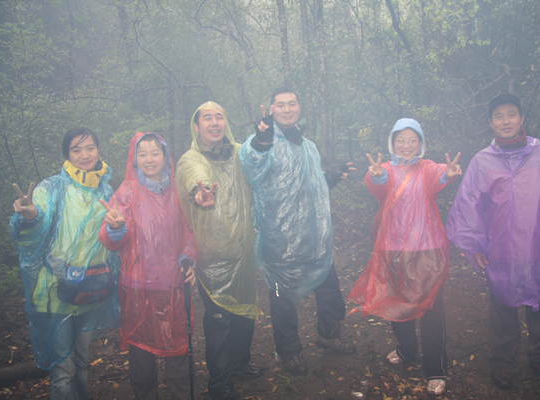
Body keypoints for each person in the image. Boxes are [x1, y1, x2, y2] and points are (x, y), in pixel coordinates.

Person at [446, 94, 540, 389]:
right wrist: (474, 244)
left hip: (537, 246)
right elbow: (469, 203)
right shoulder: (483, 161)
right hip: (500, 249)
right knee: (502, 309)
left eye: (511, 114)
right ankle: (503, 363)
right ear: (491, 122)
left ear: (522, 119)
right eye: (499, 116)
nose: (506, 121)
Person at [238, 87, 356, 376]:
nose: (287, 109)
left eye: (292, 103)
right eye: (281, 105)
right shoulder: (264, 141)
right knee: (283, 298)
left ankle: (329, 335)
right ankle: (289, 351)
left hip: (314, 236)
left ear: (299, 108)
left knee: (328, 287)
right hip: (280, 238)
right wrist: (261, 142)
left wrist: (330, 177)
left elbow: (309, 185)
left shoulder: (308, 146)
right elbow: (251, 163)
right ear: (271, 109)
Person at [348, 118, 461, 396]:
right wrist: (376, 176)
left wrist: (449, 174)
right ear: (392, 142)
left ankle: (436, 369)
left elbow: (439, 177)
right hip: (393, 248)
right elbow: (379, 186)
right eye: (401, 140)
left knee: (431, 308)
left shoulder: (427, 168)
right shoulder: (385, 169)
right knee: (397, 301)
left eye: (412, 140)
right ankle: (407, 350)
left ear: (420, 143)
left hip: (427, 250)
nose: (406, 145)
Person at [9, 127, 120, 400]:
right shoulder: (51, 188)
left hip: (91, 289)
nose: (85, 155)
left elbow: (114, 239)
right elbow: (31, 232)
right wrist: (30, 215)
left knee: (81, 363)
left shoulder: (106, 191)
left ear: (99, 150)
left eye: (90, 147)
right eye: (76, 149)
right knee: (63, 370)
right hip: (55, 294)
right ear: (67, 155)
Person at [98, 132, 198, 399]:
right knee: (141, 353)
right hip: (137, 288)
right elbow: (109, 239)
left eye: (155, 153)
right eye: (142, 154)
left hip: (173, 285)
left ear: (166, 156)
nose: (149, 159)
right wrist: (116, 227)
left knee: (178, 349)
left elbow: (188, 230)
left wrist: (188, 258)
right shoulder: (126, 192)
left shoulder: (177, 191)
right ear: (134, 159)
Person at [176, 102, 261, 400]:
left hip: (243, 251)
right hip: (212, 259)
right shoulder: (191, 158)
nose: (214, 123)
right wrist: (199, 192)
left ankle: (240, 363)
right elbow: (194, 175)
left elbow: (261, 161)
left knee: (245, 313)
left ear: (226, 122)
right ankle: (220, 383)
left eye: (219, 117)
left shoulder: (240, 152)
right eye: (207, 119)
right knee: (219, 321)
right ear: (196, 126)